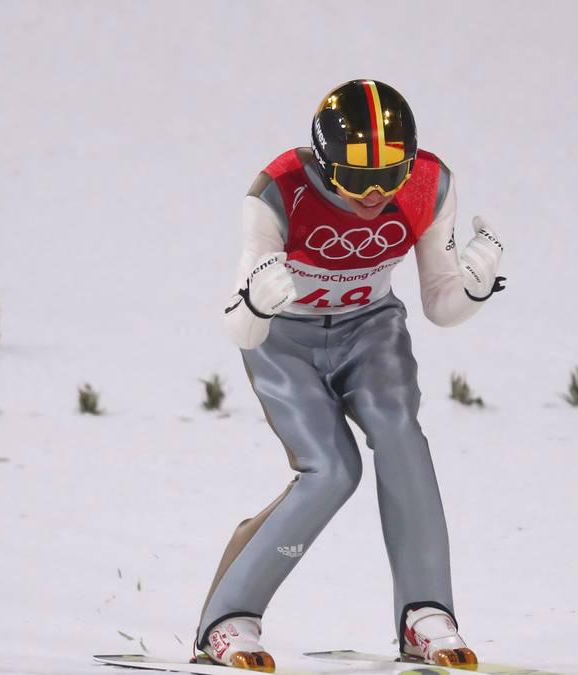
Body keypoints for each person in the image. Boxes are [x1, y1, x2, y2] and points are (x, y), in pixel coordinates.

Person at [196, 79, 505, 672]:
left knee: (400, 434)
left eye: (389, 176)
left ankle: (426, 611)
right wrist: (257, 304)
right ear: (322, 162)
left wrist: (475, 289)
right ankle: (228, 617)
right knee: (332, 471)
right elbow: (240, 329)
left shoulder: (429, 185)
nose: (372, 193)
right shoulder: (278, 191)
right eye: (354, 179)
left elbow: (440, 305)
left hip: (370, 328)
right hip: (285, 338)